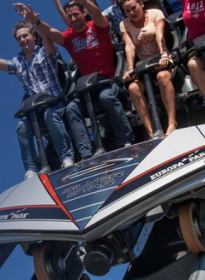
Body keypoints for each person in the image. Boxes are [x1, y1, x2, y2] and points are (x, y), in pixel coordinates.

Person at [15, 1, 134, 157]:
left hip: (106, 82)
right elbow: (50, 32)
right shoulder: (70, 37)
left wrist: (84, 1)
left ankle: (126, 140)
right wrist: (35, 21)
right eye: (70, 16)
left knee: (106, 97)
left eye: (76, 14)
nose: (73, 18)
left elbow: (97, 14)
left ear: (84, 13)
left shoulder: (96, 26)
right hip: (87, 88)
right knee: (72, 107)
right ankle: (86, 153)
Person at [0, 20, 75, 179]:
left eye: (25, 36)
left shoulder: (44, 52)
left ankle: (66, 157)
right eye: (19, 38)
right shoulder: (18, 62)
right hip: (35, 111)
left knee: (50, 114)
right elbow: (3, 64)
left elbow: (48, 39)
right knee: (21, 126)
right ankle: (31, 169)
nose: (23, 40)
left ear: (33, 36)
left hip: (55, 104)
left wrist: (34, 21)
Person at [118, 0, 177, 137]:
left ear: (141, 4)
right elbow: (130, 46)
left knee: (162, 77)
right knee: (133, 88)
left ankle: (172, 123)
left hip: (161, 59)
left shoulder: (155, 14)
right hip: (143, 66)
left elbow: (159, 36)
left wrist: (163, 54)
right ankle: (152, 132)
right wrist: (130, 68)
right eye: (127, 11)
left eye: (133, 8)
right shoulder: (124, 24)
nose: (131, 13)